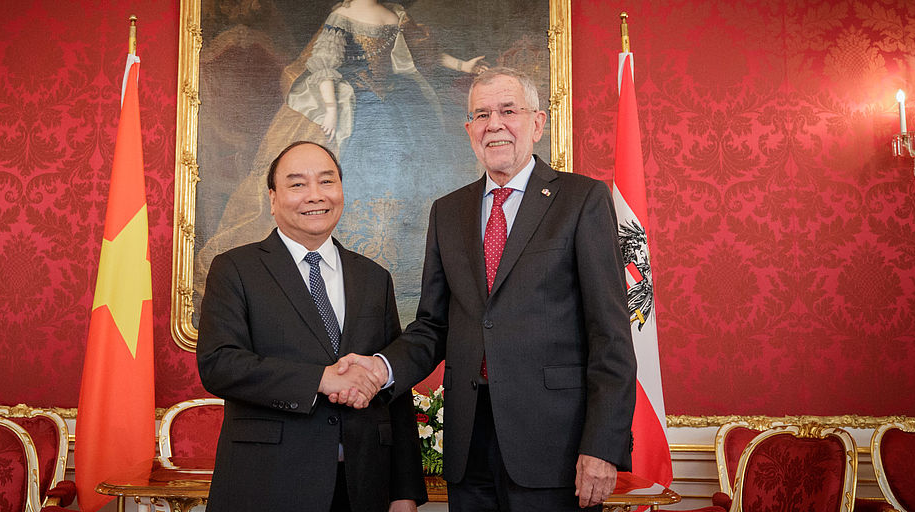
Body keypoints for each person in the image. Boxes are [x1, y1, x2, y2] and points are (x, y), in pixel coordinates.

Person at [335, 67, 637, 510]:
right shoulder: (448, 212)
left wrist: (602, 446)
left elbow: (610, 333)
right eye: (481, 114)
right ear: (469, 129)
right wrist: (381, 368)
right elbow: (432, 326)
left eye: (508, 111)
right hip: (468, 446)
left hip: (555, 448)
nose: (494, 123)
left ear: (537, 122)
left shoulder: (582, 200)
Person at [197, 0, 488, 308]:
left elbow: (424, 54)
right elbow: (325, 64)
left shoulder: (396, 14)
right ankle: (343, 271)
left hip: (398, 100)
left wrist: (462, 66)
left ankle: (402, 270)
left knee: (414, 174)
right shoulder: (344, 15)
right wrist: (332, 110)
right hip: (354, 99)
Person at [197, 141, 427, 512]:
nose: (315, 196)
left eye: (326, 181)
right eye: (297, 184)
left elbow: (393, 389)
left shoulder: (373, 277)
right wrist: (320, 379)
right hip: (268, 484)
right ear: (273, 199)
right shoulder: (235, 270)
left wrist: (405, 491)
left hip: (361, 487)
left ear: (341, 189)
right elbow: (219, 365)